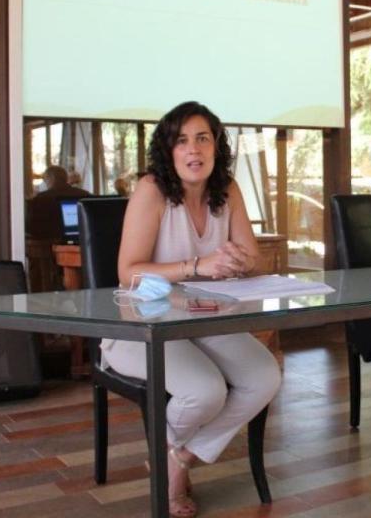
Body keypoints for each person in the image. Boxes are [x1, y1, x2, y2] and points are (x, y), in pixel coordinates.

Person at [108, 101, 281, 518]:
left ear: (217, 146)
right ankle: (175, 471)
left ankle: (178, 456)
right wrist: (197, 265)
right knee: (204, 391)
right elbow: (128, 272)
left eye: (203, 138)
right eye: (182, 140)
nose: (194, 149)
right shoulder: (152, 190)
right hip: (142, 325)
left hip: (205, 318)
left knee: (265, 376)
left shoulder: (229, 190)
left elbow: (255, 259)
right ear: (168, 151)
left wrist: (242, 262)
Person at [27, 165, 91, 241]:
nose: (45, 183)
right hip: (83, 241)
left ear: (51, 178)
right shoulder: (85, 195)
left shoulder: (41, 198)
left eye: (45, 179)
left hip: (48, 244)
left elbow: (33, 228)